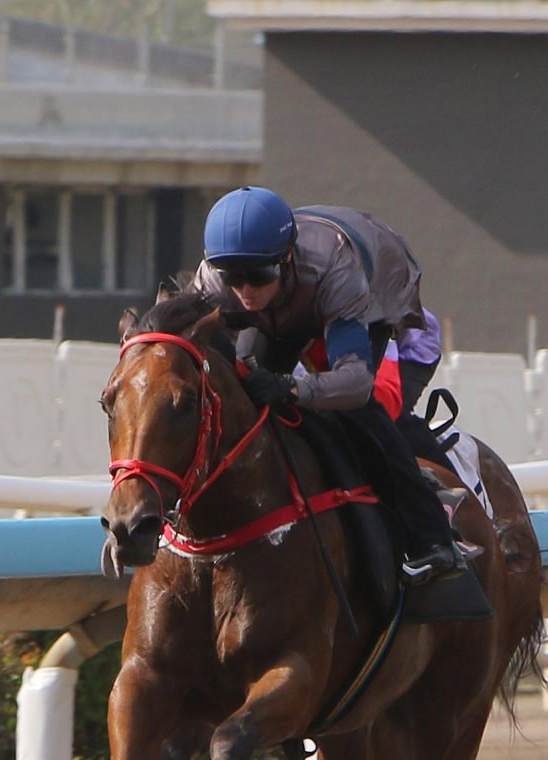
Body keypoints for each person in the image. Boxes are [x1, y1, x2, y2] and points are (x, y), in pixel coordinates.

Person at [188, 186, 468, 584]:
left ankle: (433, 537)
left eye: (258, 276)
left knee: (359, 410)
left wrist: (292, 389)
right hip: (295, 302)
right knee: (244, 380)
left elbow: (355, 383)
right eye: (233, 278)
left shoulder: (335, 269)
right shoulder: (215, 283)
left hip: (373, 291)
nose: (246, 291)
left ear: (284, 259)